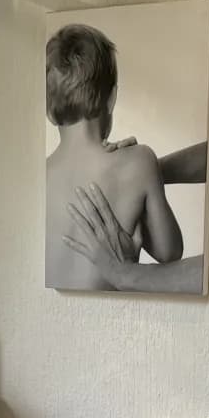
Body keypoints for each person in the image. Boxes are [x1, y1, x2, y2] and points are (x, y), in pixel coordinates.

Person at [44, 23, 186, 290]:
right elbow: (170, 253)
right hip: (112, 321)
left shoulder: (36, 176)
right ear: (112, 98)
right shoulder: (139, 162)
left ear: (50, 112)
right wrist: (149, 174)